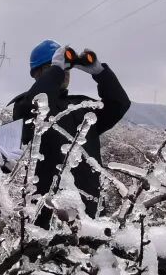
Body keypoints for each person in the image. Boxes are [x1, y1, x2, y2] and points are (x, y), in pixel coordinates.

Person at [11, 40, 130, 220]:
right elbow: (36, 105)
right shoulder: (24, 106)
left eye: (66, 68)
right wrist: (56, 71)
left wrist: (101, 73)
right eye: (53, 67)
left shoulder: (81, 106)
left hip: (91, 210)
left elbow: (119, 104)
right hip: (49, 212)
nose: (64, 72)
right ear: (37, 73)